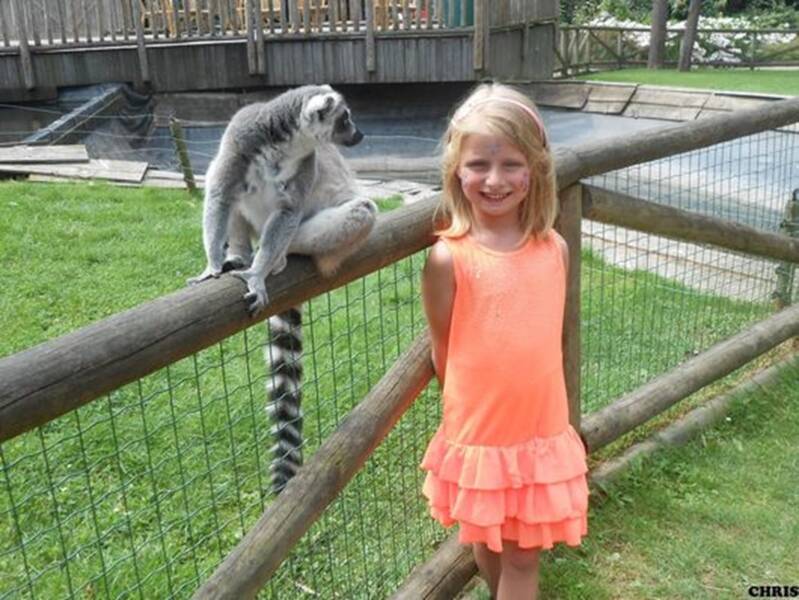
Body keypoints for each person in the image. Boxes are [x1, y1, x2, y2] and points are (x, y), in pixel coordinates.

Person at [420, 83, 589, 600]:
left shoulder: (554, 248)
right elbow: (444, 348)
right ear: (456, 170)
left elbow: (549, 337)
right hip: (481, 431)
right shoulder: (448, 259)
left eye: (511, 164)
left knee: (521, 556)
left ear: (535, 169)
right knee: (488, 539)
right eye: (478, 165)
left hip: (539, 428)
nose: (494, 180)